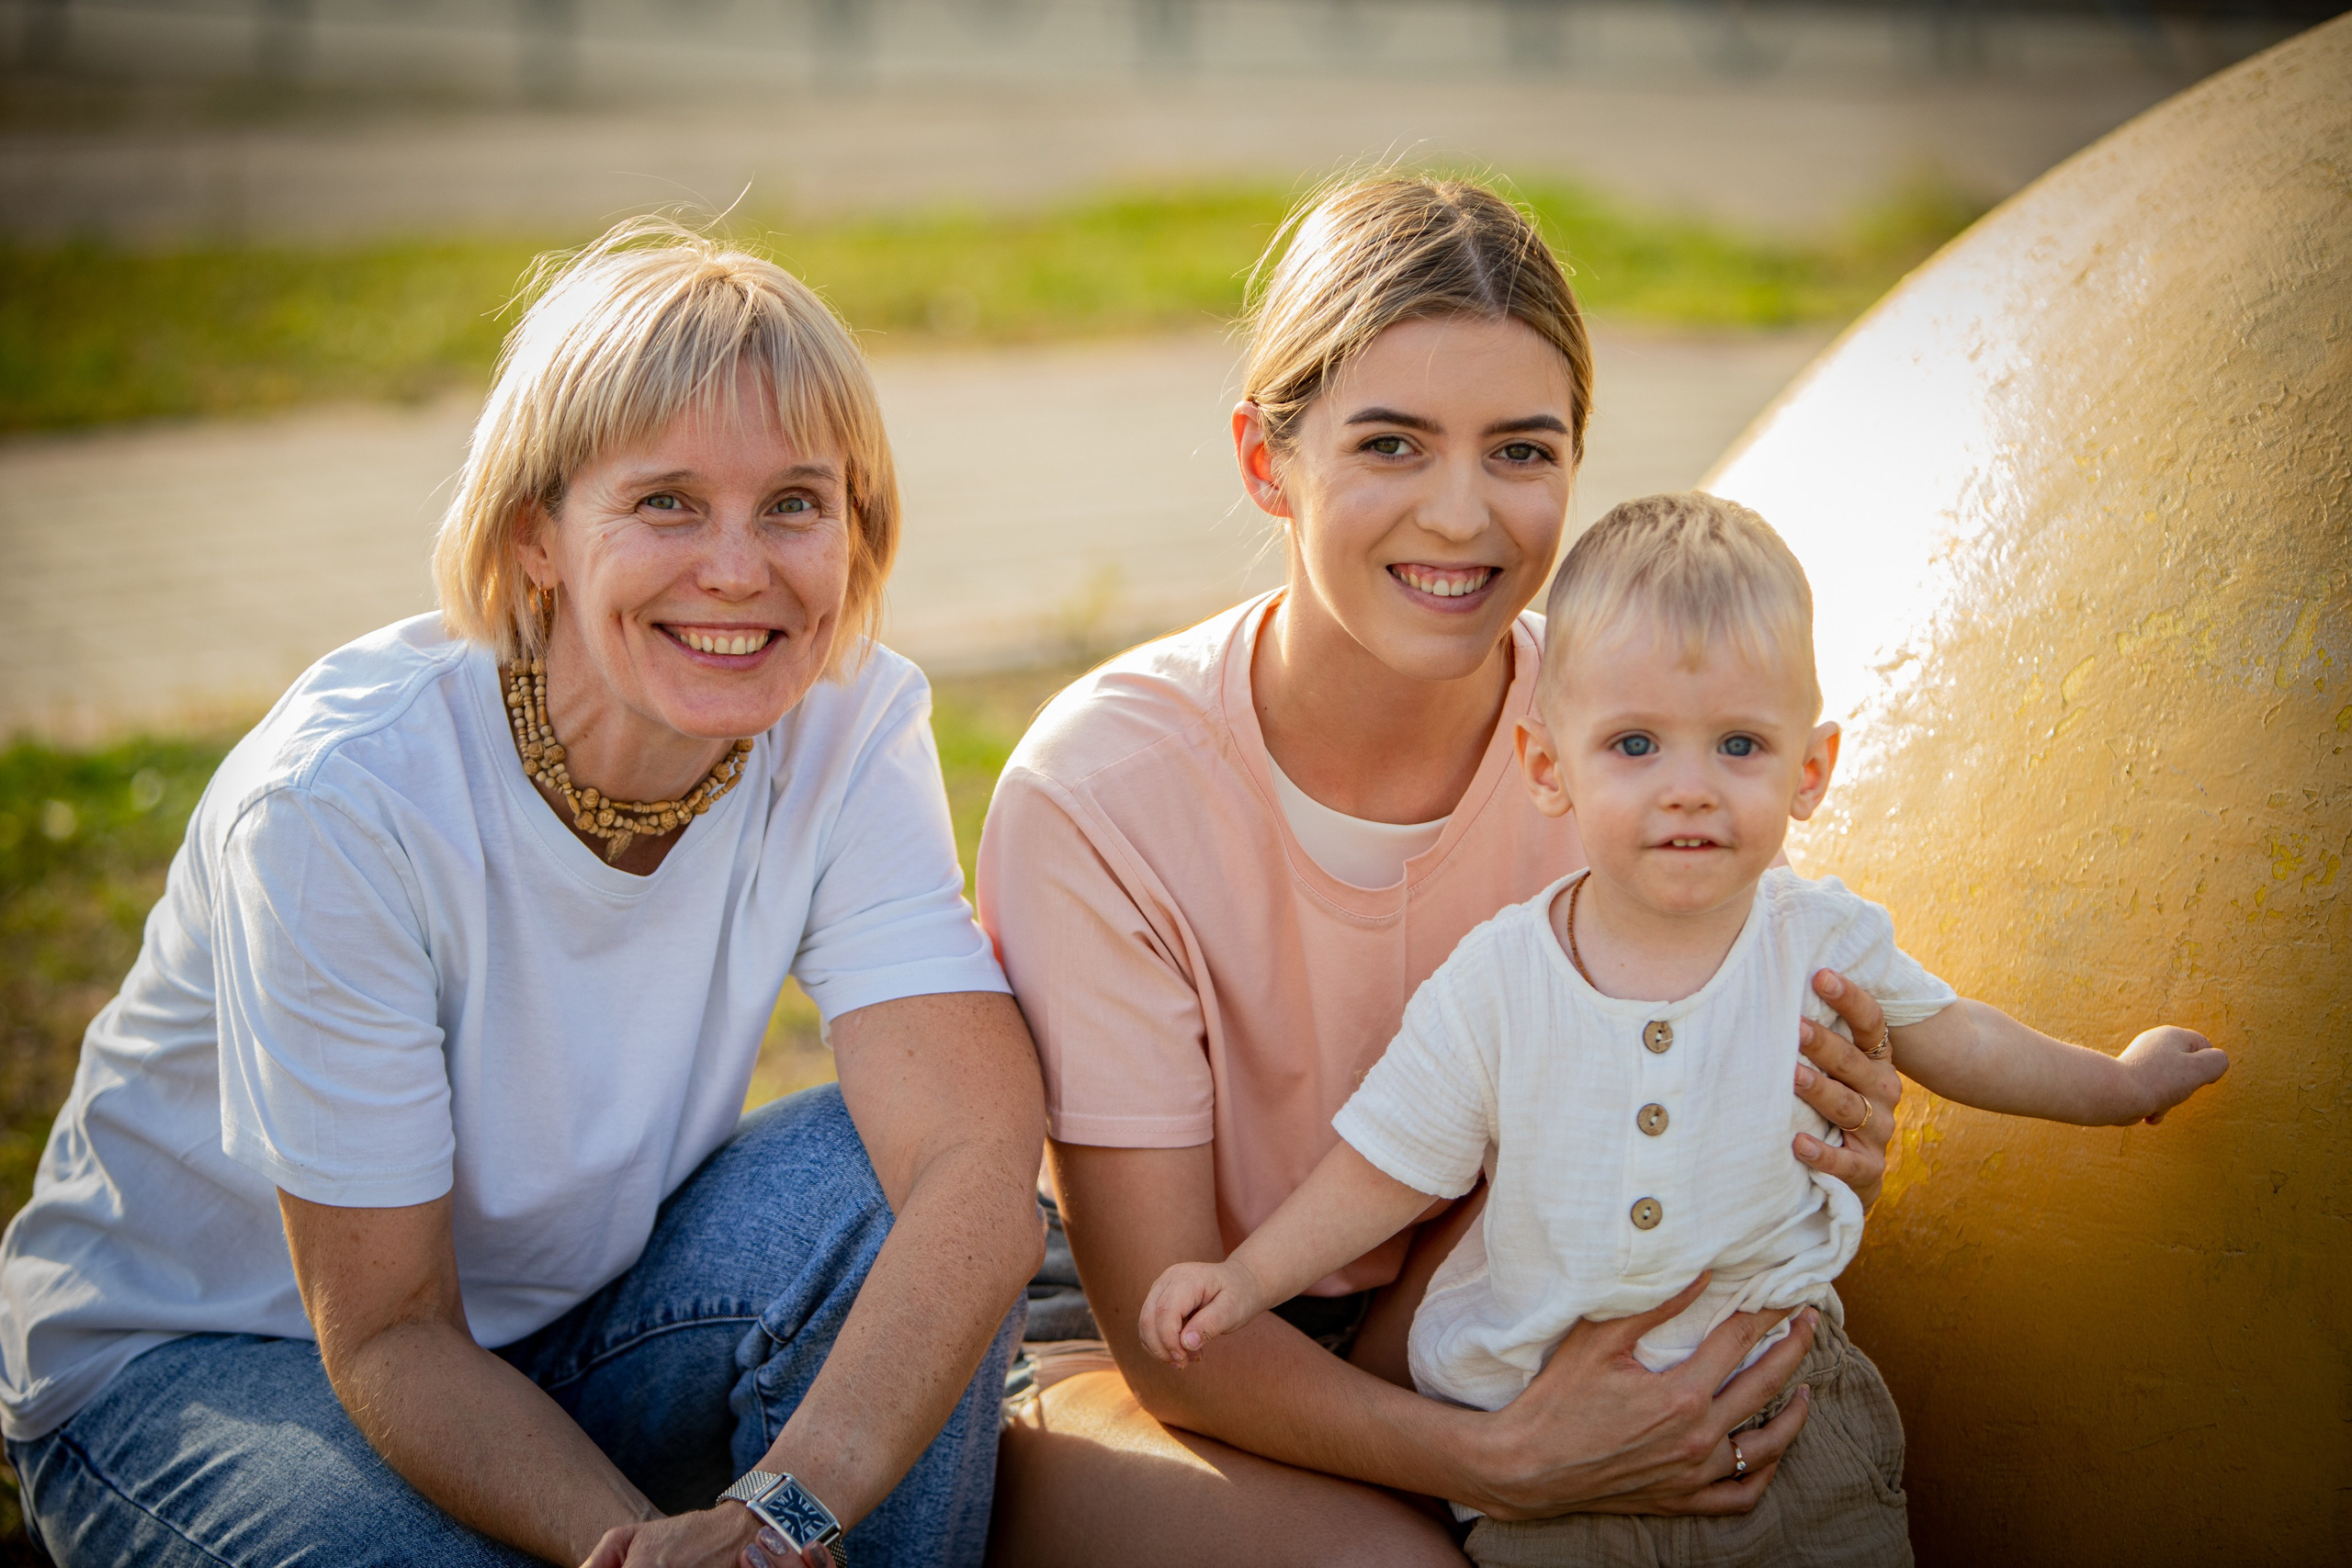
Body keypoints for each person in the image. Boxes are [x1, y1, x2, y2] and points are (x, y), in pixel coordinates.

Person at [0, 220, 1046, 1568]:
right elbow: (388, 1326)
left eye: (796, 502)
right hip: (211, 1358)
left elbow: (975, 1161)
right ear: (535, 534)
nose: (739, 567)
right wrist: (643, 1548)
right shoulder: (344, 800)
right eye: (666, 500)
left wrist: (787, 1509)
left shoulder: (845, 721)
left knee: (881, 1183)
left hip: (572, 1317)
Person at [976, 176, 1911, 1564]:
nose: (1464, 515)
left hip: (1469, 1297)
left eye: (1523, 452)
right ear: (1264, 460)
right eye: (1392, 444)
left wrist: (1817, 1119)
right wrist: (1502, 1460)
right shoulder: (1102, 789)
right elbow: (1173, 1333)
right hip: (1148, 1358)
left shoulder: (1622, 750)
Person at [1136, 491, 2230, 1566]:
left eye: (1739, 748)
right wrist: (1246, 1283)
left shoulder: (1817, 939)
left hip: (1785, 1417)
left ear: (1810, 772)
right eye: (1635, 746)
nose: (1689, 791)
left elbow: (1956, 1036)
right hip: (1550, 1454)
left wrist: (2117, 1087)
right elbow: (1384, 1166)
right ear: (1547, 767)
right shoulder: (1501, 980)